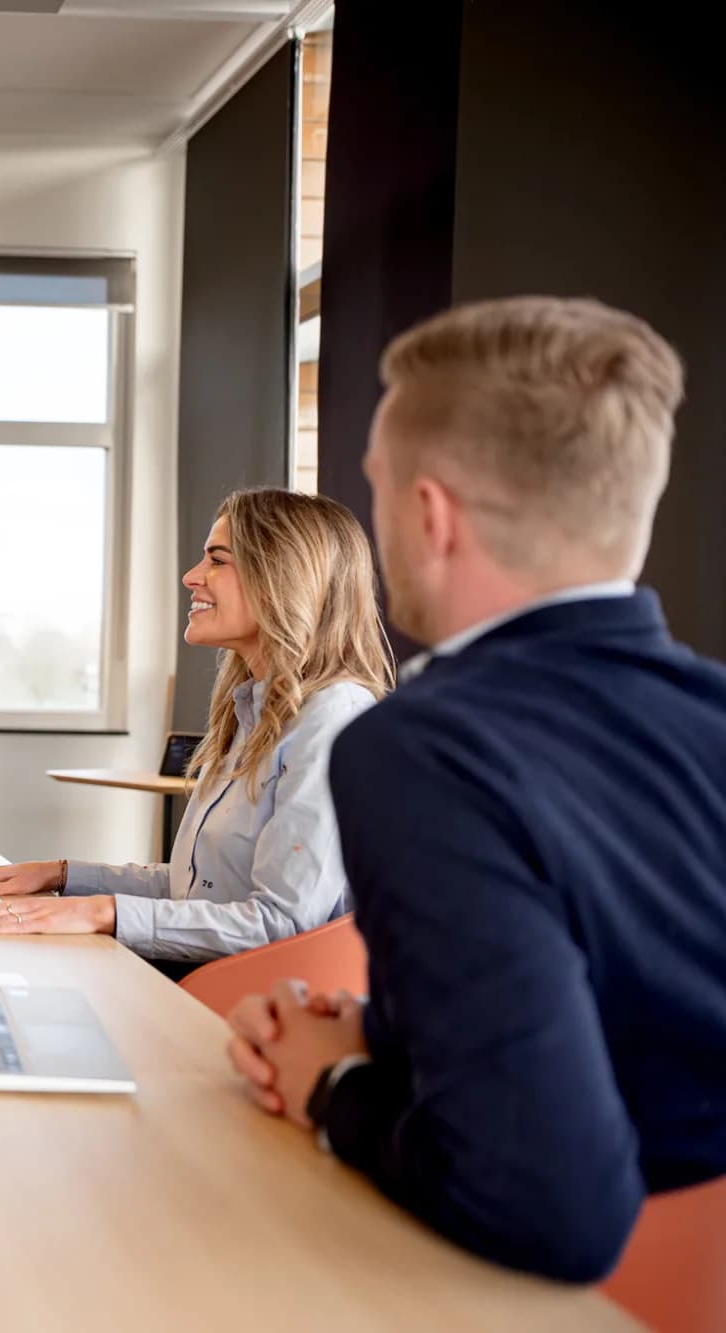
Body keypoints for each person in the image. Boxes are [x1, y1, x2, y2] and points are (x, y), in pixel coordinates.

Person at [224, 297, 726, 1281]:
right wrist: (377, 1026)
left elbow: (545, 1205)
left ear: (427, 514)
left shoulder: (419, 751)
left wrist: (330, 1084)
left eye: (372, 487)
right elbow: (649, 1013)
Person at [0, 488, 395, 968]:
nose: (191, 577)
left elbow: (279, 924)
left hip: (249, 1009)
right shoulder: (253, 714)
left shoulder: (333, 720)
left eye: (217, 560)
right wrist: (58, 876)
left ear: (282, 578)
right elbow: (196, 887)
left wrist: (103, 912)